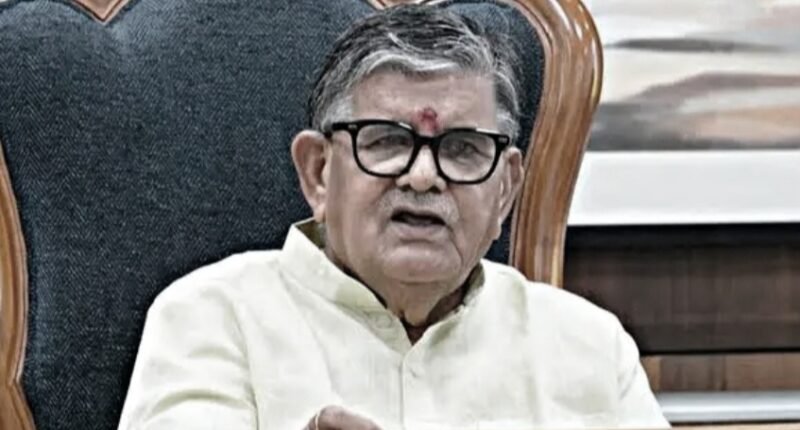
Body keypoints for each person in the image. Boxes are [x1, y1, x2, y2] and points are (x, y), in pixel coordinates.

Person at [118, 5, 669, 429]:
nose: (423, 177)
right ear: (318, 173)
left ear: (504, 190)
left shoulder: (589, 346)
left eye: (462, 149)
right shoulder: (210, 318)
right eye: (386, 141)